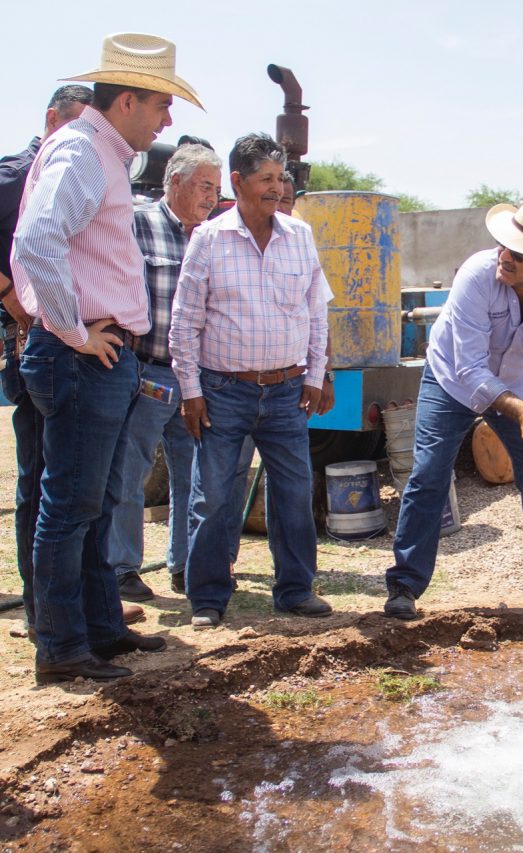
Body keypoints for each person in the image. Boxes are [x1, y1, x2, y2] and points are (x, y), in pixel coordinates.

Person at [11, 33, 203, 684]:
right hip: (82, 357)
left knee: (87, 503)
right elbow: (36, 242)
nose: (167, 119)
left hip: (98, 354)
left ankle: (99, 629)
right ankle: (63, 649)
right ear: (127, 101)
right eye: (160, 105)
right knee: (69, 506)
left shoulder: (98, 153)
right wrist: (73, 331)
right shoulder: (83, 151)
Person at [383, 194, 523, 620]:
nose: (505, 256)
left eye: (519, 254)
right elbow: (468, 367)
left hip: (518, 386)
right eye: (504, 244)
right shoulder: (477, 274)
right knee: (429, 474)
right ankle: (404, 586)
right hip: (450, 380)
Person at [169, 132, 331, 628]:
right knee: (214, 497)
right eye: (265, 179)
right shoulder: (209, 239)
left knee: (293, 493)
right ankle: (209, 599)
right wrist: (192, 393)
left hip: (286, 392)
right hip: (223, 392)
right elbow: (184, 322)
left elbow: (315, 312)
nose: (276, 188)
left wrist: (315, 374)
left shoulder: (298, 236)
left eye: (281, 179)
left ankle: (295, 590)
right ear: (237, 182)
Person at [107, 144, 222, 602]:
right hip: (148, 371)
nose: (212, 196)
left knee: (194, 475)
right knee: (130, 470)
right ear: (173, 182)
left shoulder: (213, 237)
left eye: (217, 188)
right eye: (204, 186)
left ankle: (185, 566)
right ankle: (122, 569)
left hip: (198, 380)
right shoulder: (138, 224)